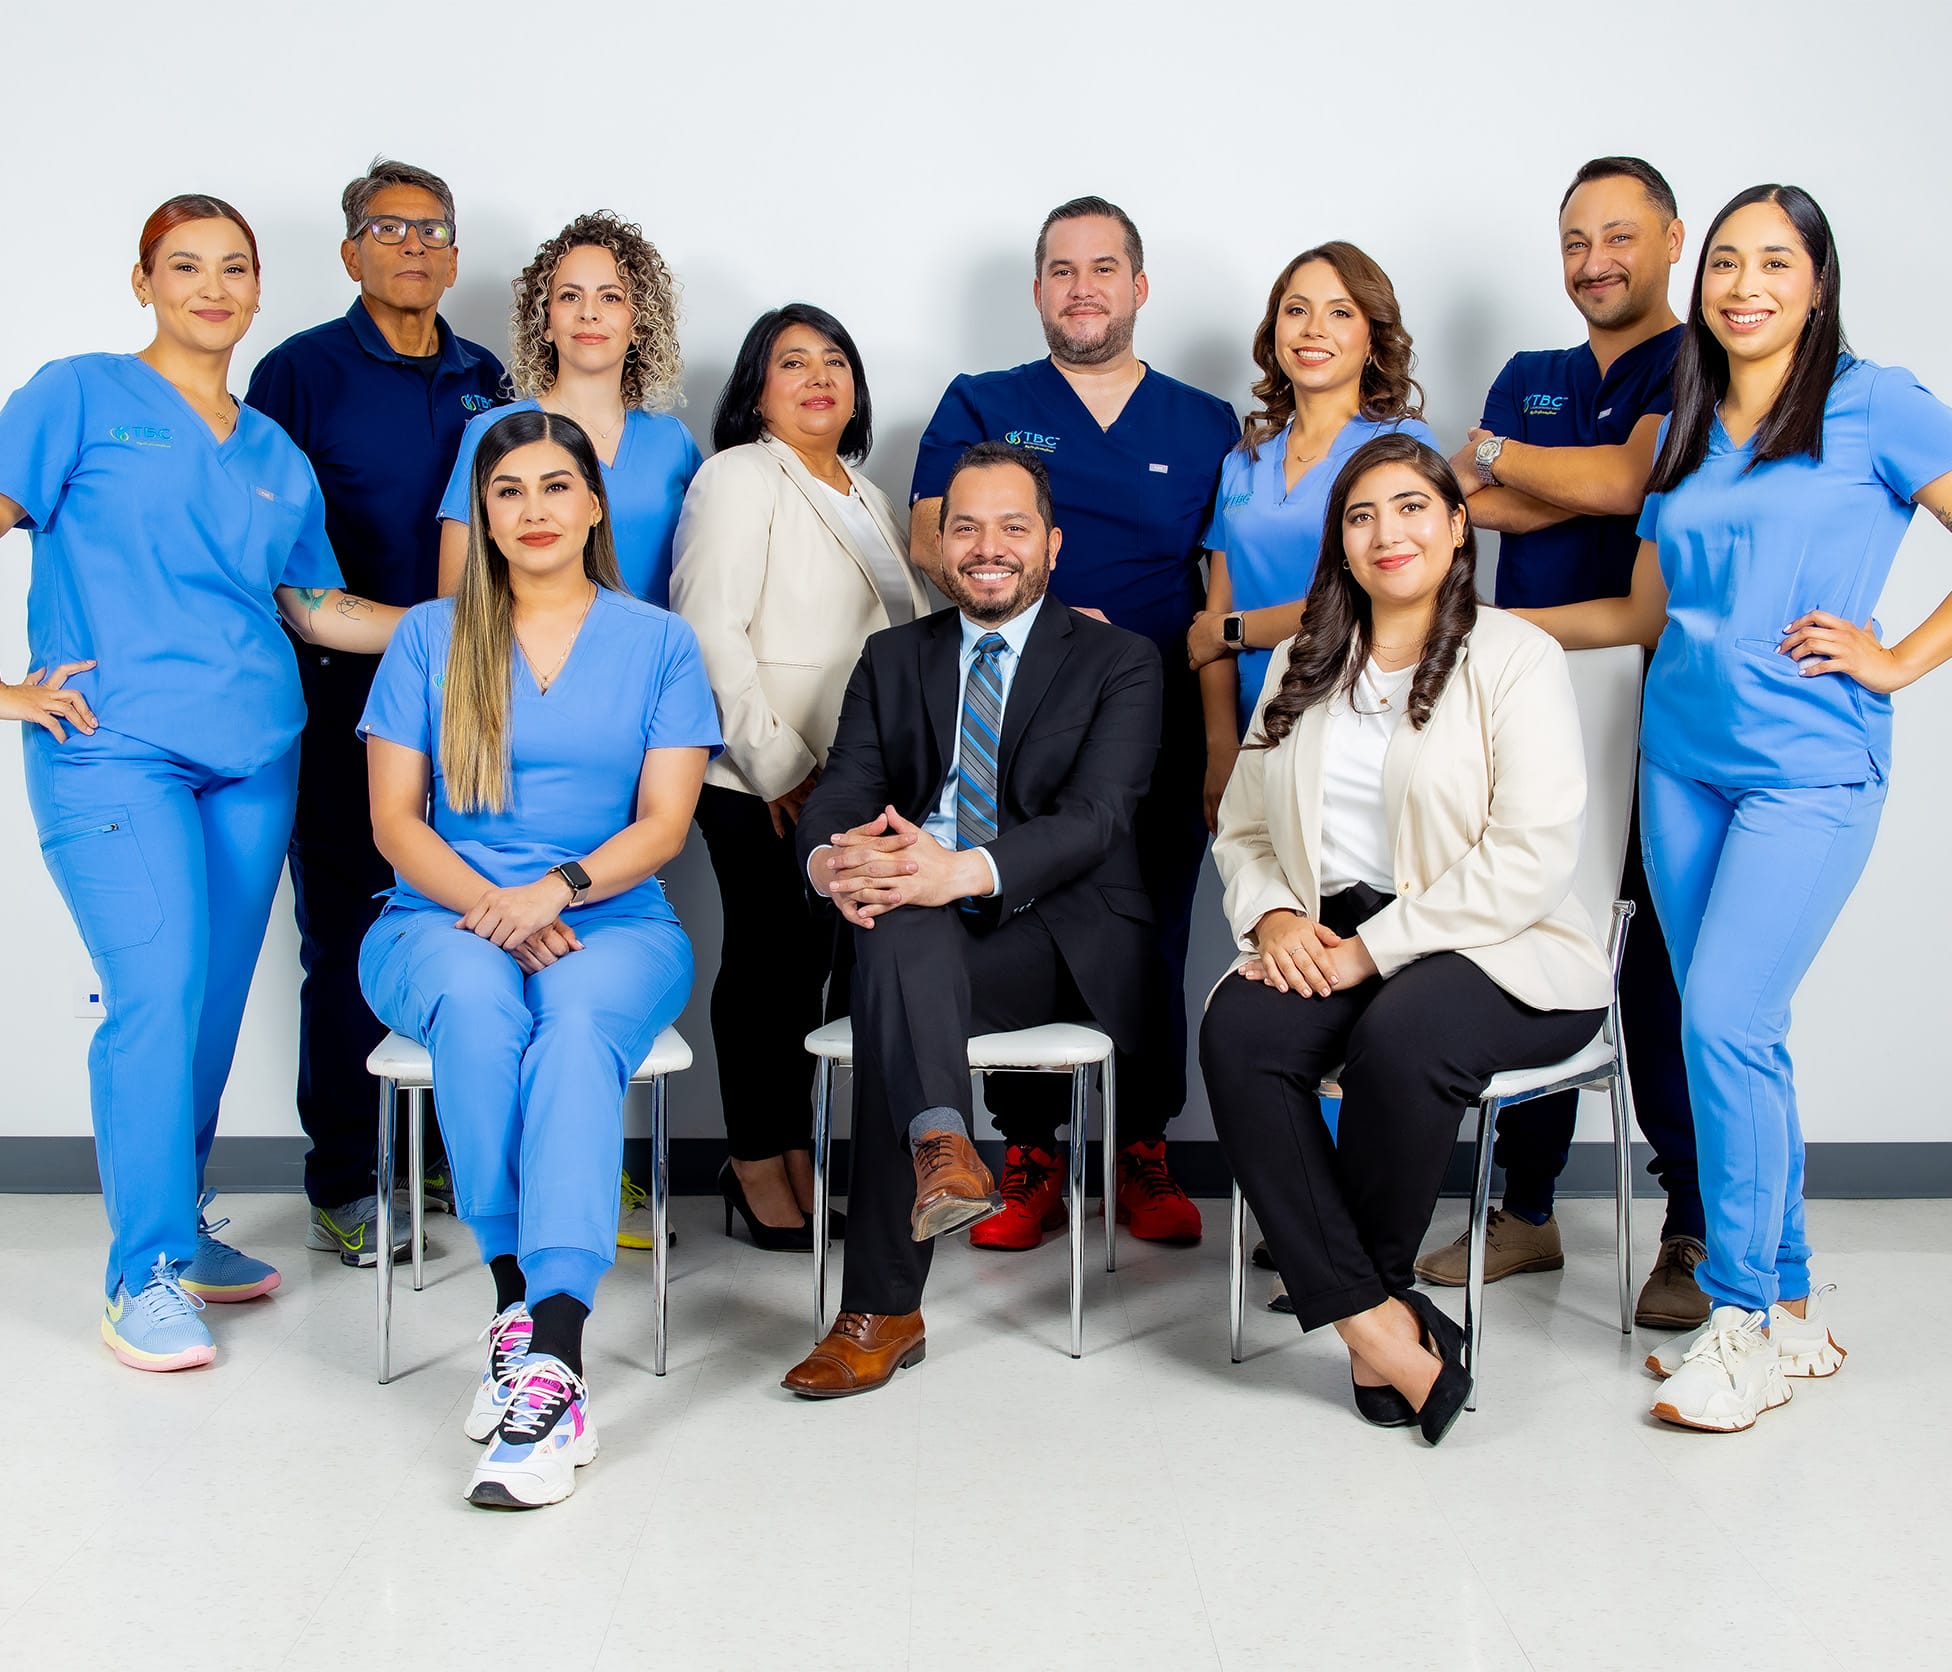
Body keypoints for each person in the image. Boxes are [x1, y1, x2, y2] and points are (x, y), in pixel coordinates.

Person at [1515, 185, 1952, 1432]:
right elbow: (1646, 610)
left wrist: (1895, 657)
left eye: (1772, 261)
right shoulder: (1691, 420)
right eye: (1723, 261)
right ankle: (1795, 1306)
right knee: (1737, 1034)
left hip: (1806, 767)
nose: (1741, 283)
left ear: (1816, 282)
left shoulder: (1876, 404)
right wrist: (1483, 623)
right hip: (1678, 760)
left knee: (1720, 1019)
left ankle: (1740, 1318)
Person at [0, 195, 405, 1371]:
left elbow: (311, 605)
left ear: (260, 286)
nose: (211, 287)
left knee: (213, 1007)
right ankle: (142, 1275)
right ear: (143, 282)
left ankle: (177, 1224)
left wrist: (461, 620)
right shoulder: (76, 395)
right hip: (112, 744)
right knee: (156, 991)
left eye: (233, 267)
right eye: (184, 266)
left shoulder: (273, 452)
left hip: (253, 752)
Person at [1201, 434, 1610, 1444]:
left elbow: (1529, 854)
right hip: (1329, 929)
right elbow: (1243, 827)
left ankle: (1360, 1310)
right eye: (1360, 515)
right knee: (1238, 1034)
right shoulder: (1302, 664)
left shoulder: (1514, 655)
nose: (1387, 532)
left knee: (1404, 1037)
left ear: (1456, 524)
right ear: (1339, 545)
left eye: (1411, 507)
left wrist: (1373, 948)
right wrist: (1275, 915)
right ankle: (1382, 1328)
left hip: (1501, 941)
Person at [357, 410, 720, 1506]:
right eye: (507, 491)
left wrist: (551, 891)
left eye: (555, 486)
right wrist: (496, 907)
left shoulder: (658, 641)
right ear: (483, 512)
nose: (532, 511)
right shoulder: (429, 636)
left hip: (609, 915)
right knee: (479, 1008)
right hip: (438, 911)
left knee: (570, 1032)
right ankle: (517, 1306)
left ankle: (550, 1358)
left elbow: (662, 823)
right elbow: (395, 822)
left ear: (594, 505)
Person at [780, 443, 1161, 1398]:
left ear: (1052, 544)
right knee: (894, 922)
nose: (988, 548)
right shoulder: (893, 656)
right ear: (940, 546)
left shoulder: (1120, 659)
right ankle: (943, 1151)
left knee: (897, 952)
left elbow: (1097, 819)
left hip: (1053, 934)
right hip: (919, 928)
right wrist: (833, 862)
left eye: (1012, 527)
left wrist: (958, 870)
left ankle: (880, 1309)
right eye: (966, 528)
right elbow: (847, 790)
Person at [1414, 156, 1706, 1329]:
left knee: (1656, 961)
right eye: (1575, 240)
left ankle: (1687, 1223)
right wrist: (1577, 486)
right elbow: (1458, 501)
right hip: (1524, 704)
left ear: (1672, 239)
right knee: (1529, 931)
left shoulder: (1697, 360)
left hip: (1653, 700)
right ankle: (1523, 1209)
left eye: (1619, 237)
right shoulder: (1531, 372)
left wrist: (1526, 468)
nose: (1595, 261)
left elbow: (1634, 479)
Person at [908, 196, 1234, 1249]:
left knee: (1150, 930)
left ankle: (1141, 1144)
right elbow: (930, 537)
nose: (1081, 287)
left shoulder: (1201, 423)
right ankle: (1031, 1153)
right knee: (1023, 913)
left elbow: (1216, 575)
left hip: (1162, 720)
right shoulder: (983, 400)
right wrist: (1051, 619)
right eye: (1059, 269)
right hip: (1015, 712)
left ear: (1138, 287)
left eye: (1103, 268)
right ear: (1037, 289)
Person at [244, 157, 505, 1268]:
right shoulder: (298, 373)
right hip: (343, 705)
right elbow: (263, 556)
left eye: (433, 229)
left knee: (467, 919)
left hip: (478, 708)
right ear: (350, 251)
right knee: (345, 940)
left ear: (454, 254)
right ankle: (345, 1180)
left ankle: (443, 1155)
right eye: (388, 228)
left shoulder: (486, 373)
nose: (413, 245)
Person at [670, 304, 926, 1248]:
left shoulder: (867, 495)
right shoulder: (737, 477)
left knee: (822, 975)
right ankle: (754, 1164)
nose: (819, 376)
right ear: (757, 389)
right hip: (762, 780)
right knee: (771, 967)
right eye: (792, 362)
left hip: (854, 784)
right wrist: (780, 766)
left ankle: (798, 1163)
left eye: (835, 361)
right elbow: (706, 629)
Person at [1186, 241, 1436, 814]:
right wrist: (1223, 749)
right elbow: (1212, 620)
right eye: (1296, 310)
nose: (1313, 329)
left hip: (1361, 727)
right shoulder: (1242, 462)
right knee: (1258, 903)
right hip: (1254, 736)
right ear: (1275, 330)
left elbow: (1374, 600)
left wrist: (1234, 630)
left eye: (1341, 312)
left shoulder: (1400, 449)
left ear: (1373, 337)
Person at [438, 210, 697, 606]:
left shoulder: (672, 441)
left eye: (610, 297)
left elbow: (706, 576)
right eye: (570, 296)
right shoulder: (494, 432)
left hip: (654, 663)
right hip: (527, 664)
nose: (588, 312)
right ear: (545, 320)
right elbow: (455, 602)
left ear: (639, 323)